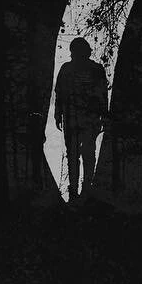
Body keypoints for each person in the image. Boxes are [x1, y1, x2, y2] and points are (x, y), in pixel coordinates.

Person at [54, 37, 109, 201]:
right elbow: (59, 93)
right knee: (74, 155)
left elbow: (102, 95)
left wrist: (104, 116)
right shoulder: (66, 69)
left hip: (89, 120)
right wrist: (58, 113)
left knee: (88, 155)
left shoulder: (96, 70)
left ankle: (86, 189)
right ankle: (74, 190)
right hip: (72, 119)